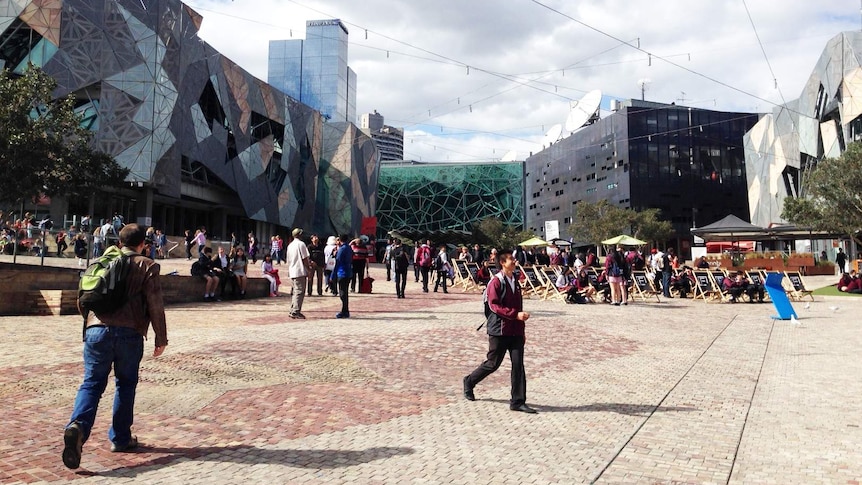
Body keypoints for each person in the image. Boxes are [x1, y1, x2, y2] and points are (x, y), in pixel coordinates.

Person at [62, 223, 168, 470]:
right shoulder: (147, 265)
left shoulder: (102, 260)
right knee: (126, 383)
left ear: (120, 242)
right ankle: (120, 438)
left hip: (96, 330)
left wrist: (90, 325)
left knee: (92, 383)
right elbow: (155, 304)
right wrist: (160, 338)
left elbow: (83, 298)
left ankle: (77, 426)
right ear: (143, 243)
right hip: (129, 333)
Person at [463, 249, 536, 414]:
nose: (514, 261)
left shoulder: (514, 281)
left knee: (518, 365)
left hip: (515, 331)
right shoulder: (496, 282)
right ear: (503, 263)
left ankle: (517, 401)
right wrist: (514, 315)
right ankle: (469, 381)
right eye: (511, 259)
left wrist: (521, 328)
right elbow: (494, 306)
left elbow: (518, 307)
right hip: (499, 331)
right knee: (492, 364)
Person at [285, 228, 311, 319]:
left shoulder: (290, 245)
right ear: (299, 235)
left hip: (292, 271)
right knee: (299, 291)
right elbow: (305, 258)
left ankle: (293, 309)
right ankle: (296, 311)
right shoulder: (301, 244)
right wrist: (308, 269)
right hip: (299, 270)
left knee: (295, 292)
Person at [332, 235, 354, 318]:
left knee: (342, 293)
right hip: (348, 272)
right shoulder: (349, 248)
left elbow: (338, 262)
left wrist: (332, 275)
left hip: (342, 273)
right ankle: (345, 310)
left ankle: (344, 311)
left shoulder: (342, 249)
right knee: (345, 292)